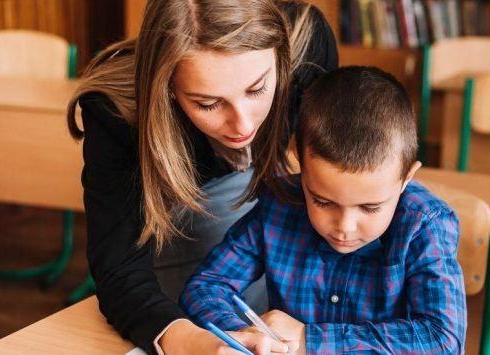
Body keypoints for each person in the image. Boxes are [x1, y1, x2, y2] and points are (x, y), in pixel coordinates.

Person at [66, 0, 337, 353]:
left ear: (282, 57)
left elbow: (335, 170)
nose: (243, 124)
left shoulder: (308, 42)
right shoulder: (116, 111)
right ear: (167, 87)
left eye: (257, 89)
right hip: (177, 234)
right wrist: (192, 342)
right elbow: (120, 269)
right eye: (208, 104)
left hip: (268, 213)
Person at [180, 66, 467, 353]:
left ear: (406, 178)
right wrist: (248, 337)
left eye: (370, 207)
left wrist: (310, 340)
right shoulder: (280, 205)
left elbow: (443, 341)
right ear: (301, 166)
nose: (345, 225)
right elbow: (205, 287)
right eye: (323, 202)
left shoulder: (425, 224)